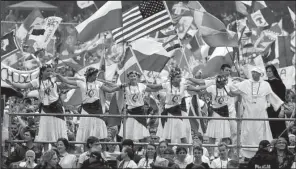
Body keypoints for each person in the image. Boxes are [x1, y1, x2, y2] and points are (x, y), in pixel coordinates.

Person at [6, 64, 68, 151]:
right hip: (46, 108)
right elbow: (24, 86)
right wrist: (12, 83)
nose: (50, 72)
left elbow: (66, 80)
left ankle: (60, 152)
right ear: (42, 72)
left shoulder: (54, 78)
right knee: (46, 132)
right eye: (47, 71)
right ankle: (46, 153)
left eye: (51, 70)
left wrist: (77, 81)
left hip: (57, 107)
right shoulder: (37, 81)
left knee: (59, 131)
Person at [55, 67, 123, 143]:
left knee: (99, 128)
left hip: (97, 108)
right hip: (86, 109)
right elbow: (66, 80)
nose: (96, 77)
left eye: (96, 75)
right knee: (86, 129)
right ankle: (86, 149)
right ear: (89, 75)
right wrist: (58, 75)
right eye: (94, 75)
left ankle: (102, 149)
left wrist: (118, 87)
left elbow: (109, 90)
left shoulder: (98, 83)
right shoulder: (81, 83)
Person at [229, 66, 285, 158]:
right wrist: (230, 82)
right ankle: (247, 155)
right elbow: (232, 89)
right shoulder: (245, 83)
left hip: (261, 115)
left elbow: (272, 97)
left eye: (256, 72)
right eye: (253, 72)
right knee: (248, 134)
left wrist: (281, 108)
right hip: (248, 115)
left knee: (261, 134)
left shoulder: (265, 85)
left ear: (260, 74)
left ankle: (263, 152)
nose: (254, 74)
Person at [147, 67, 193, 143]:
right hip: (168, 112)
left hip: (178, 112)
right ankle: (167, 152)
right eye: (178, 77)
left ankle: (186, 152)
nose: (180, 79)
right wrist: (140, 84)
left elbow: (195, 88)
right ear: (173, 78)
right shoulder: (167, 84)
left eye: (180, 77)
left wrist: (206, 85)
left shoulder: (183, 85)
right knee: (167, 135)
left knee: (182, 134)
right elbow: (154, 87)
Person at [117, 71, 151, 140]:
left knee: (141, 133)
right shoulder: (125, 86)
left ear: (137, 77)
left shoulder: (142, 85)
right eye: (131, 76)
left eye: (134, 76)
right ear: (128, 78)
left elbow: (151, 89)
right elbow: (115, 88)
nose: (133, 77)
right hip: (130, 112)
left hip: (140, 111)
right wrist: (120, 86)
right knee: (128, 133)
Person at [265, 64, 287, 139]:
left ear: (274, 72)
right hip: (267, 109)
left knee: (279, 130)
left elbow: (282, 99)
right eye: (267, 71)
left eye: (270, 71)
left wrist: (282, 110)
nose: (268, 73)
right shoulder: (264, 83)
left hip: (277, 110)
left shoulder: (279, 84)